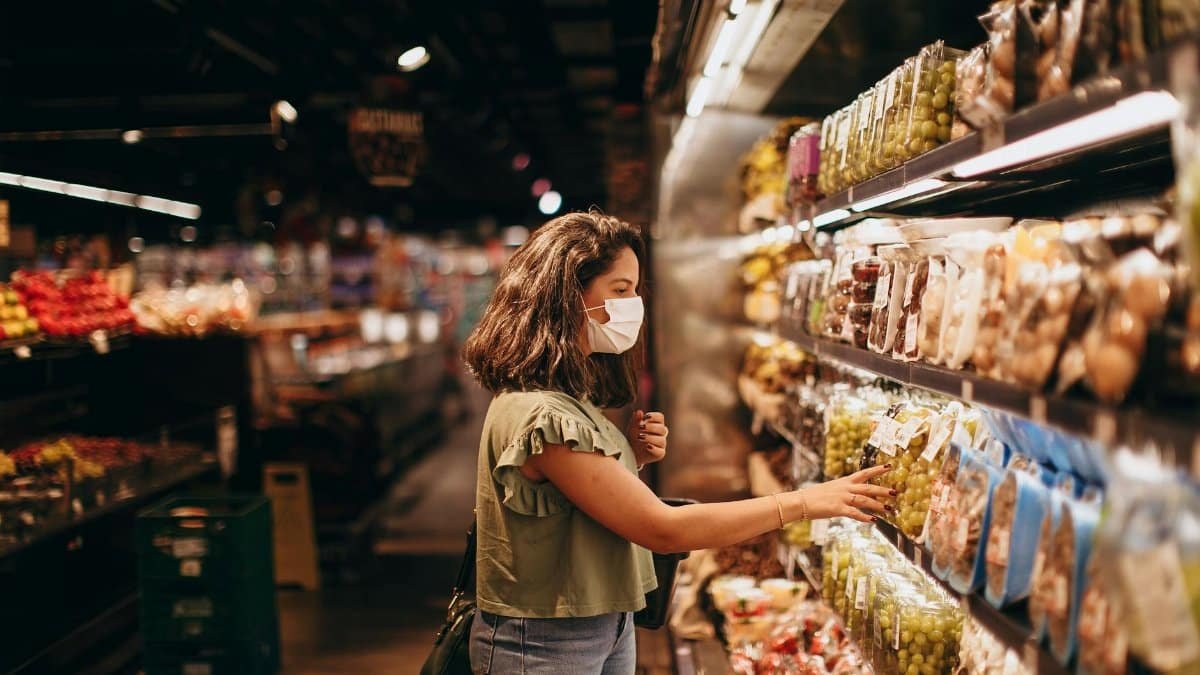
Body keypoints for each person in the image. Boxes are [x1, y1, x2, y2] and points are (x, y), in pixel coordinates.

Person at [462, 211, 894, 674]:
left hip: (598, 622)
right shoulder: (542, 414)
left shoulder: (568, 398)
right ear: (568, 296)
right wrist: (804, 502)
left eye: (636, 290)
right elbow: (663, 530)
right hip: (546, 640)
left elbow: (571, 507)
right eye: (621, 290)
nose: (634, 304)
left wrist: (629, 457)